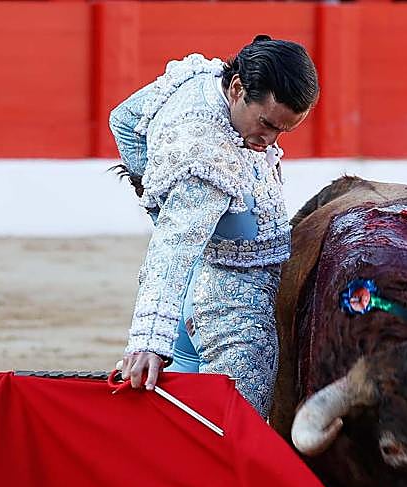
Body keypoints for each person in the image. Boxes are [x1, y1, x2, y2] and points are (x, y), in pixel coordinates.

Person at [110, 36, 318, 418]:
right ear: (238, 89)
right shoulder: (209, 158)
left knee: (179, 421)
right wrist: (147, 342)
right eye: (266, 124)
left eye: (282, 132)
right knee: (234, 430)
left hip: (195, 286)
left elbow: (124, 119)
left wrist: (156, 187)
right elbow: (173, 246)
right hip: (232, 308)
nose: (269, 142)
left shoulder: (203, 79)